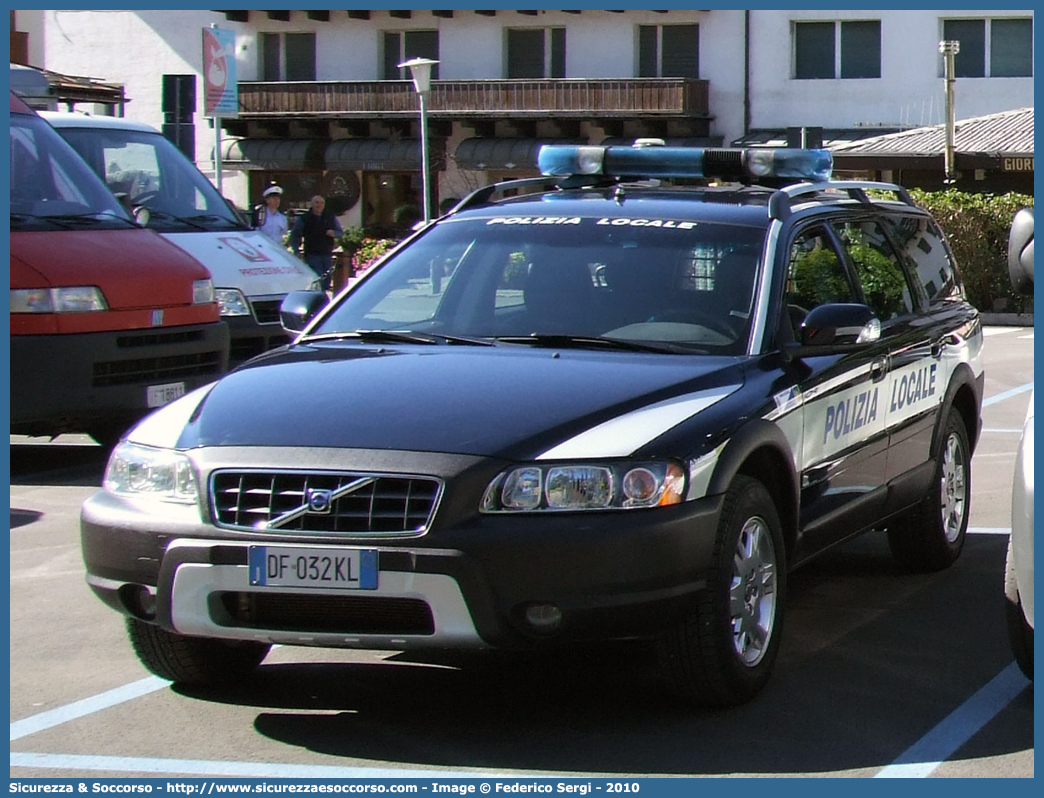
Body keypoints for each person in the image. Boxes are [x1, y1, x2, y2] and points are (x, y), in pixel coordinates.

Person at [288, 194, 343, 290]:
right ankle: (320, 299)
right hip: (312, 254)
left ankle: (323, 297)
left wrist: (333, 233)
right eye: (317, 202)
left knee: (327, 280)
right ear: (312, 204)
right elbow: (295, 235)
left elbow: (340, 233)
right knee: (318, 278)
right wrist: (296, 250)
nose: (319, 205)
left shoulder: (330, 217)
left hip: (327, 253)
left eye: (322, 203)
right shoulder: (304, 218)